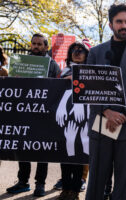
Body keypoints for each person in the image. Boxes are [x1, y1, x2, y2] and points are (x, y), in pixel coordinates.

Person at [85, 3, 126, 200]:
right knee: (97, 178)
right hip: (101, 122)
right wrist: (107, 111)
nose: (124, 25)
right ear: (110, 25)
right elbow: (88, 88)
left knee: (122, 181)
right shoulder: (96, 52)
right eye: (119, 22)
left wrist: (122, 114)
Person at [6, 33, 60, 197]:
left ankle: (40, 184)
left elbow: (57, 86)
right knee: (23, 148)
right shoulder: (20, 62)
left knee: (41, 151)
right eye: (34, 44)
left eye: (39, 44)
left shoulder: (53, 65)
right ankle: (23, 182)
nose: (36, 46)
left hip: (44, 113)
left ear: (46, 46)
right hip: (24, 111)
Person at [54, 41, 90, 200]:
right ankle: (66, 188)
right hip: (67, 118)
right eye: (74, 50)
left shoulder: (91, 72)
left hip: (85, 118)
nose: (77, 52)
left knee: (80, 154)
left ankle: (75, 190)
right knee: (66, 154)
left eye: (81, 50)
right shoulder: (64, 71)